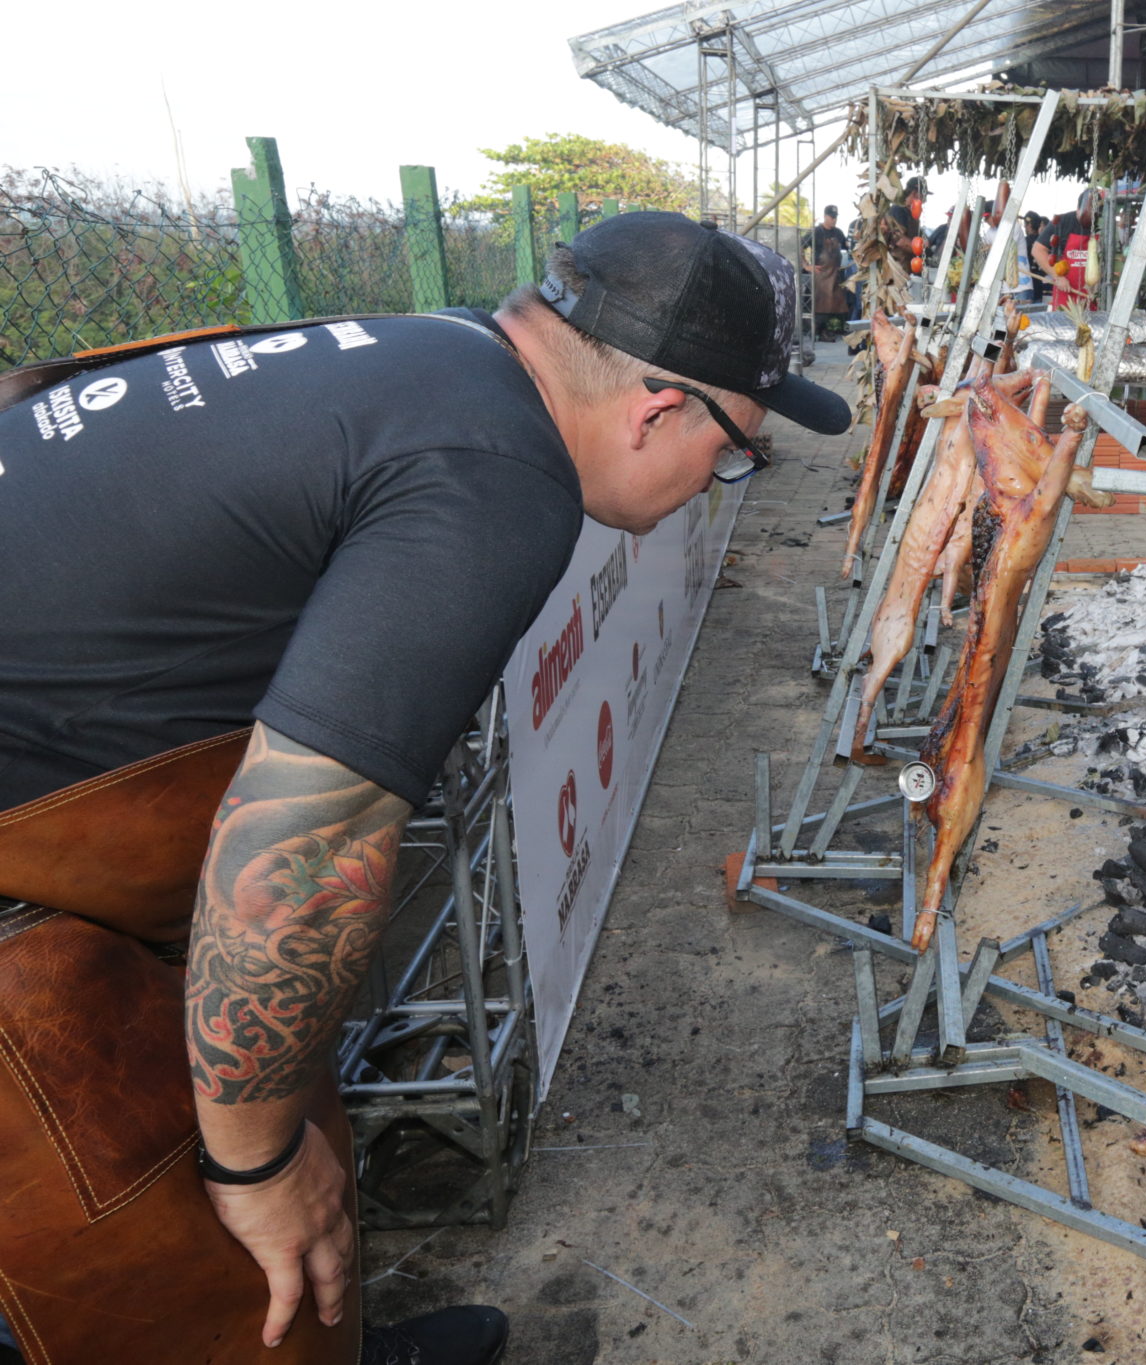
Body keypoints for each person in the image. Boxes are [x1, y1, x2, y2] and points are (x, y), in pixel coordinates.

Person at [0, 212, 852, 1364]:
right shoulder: (495, 473)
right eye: (735, 448)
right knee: (159, 1262)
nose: (721, 480)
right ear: (658, 406)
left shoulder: (430, 355)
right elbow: (303, 848)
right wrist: (251, 1165)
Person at [1032, 187, 1099, 309]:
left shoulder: (1102, 224)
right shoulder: (1062, 222)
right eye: (1083, 216)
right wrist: (1057, 276)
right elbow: (1037, 250)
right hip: (1065, 297)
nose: (1088, 223)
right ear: (1078, 209)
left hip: (1093, 298)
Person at [806, 205, 850, 337]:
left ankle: (838, 328)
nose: (834, 220)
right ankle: (820, 331)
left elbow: (847, 247)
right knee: (822, 303)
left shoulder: (838, 233)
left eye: (835, 217)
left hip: (835, 273)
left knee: (840, 302)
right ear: (825, 216)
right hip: (821, 274)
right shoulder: (816, 232)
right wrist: (807, 266)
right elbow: (800, 245)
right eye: (831, 217)